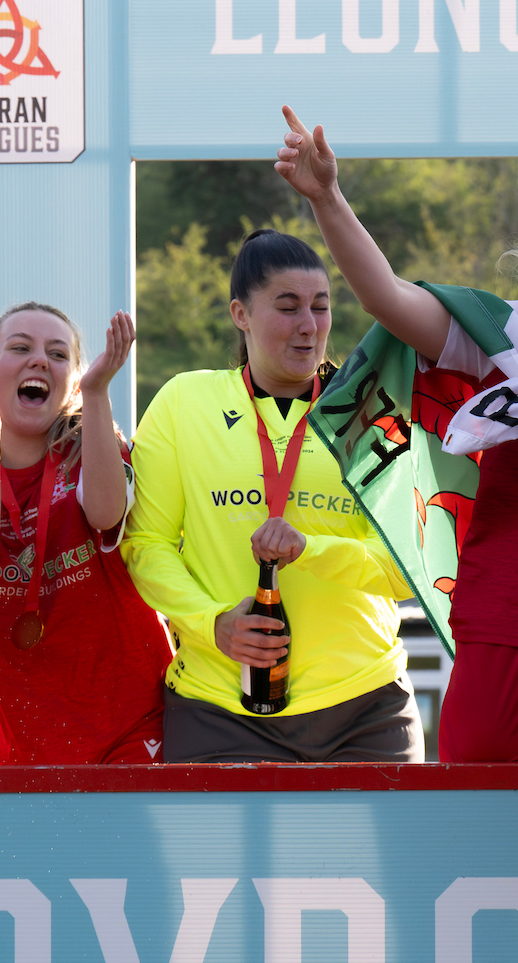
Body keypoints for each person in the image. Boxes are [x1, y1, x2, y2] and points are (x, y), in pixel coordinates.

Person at [273, 109, 518, 763]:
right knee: (481, 830)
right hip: (515, 633)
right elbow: (387, 300)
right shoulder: (506, 340)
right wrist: (328, 199)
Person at [124, 230, 422, 764]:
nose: (309, 325)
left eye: (321, 306)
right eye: (287, 307)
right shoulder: (182, 402)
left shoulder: (371, 411)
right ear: (241, 313)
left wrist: (313, 549)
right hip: (218, 708)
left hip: (365, 705)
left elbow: (407, 568)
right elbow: (146, 544)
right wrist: (212, 622)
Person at [0, 304, 171, 765]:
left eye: (57, 353)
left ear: (72, 382)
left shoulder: (91, 444)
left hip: (131, 722)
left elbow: (107, 513)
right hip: (26, 736)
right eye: (20, 348)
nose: (39, 361)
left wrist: (96, 393)